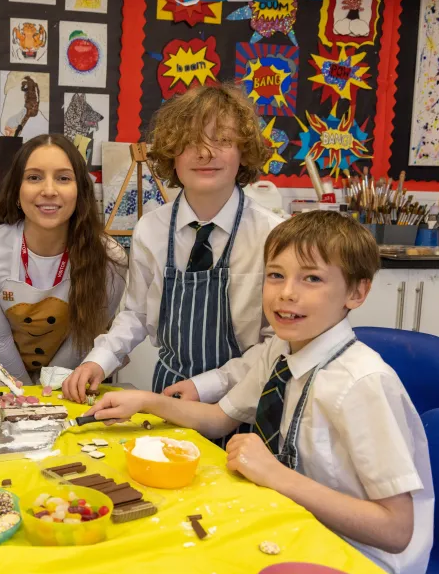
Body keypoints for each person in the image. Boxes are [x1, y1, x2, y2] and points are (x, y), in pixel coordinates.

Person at [85, 212, 433, 574]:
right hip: (293, 521)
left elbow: (395, 530)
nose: (287, 293)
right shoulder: (281, 349)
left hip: (357, 558)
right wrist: (145, 401)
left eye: (311, 278)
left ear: (356, 293)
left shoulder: (363, 383)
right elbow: (220, 417)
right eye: (275, 275)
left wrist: (274, 475)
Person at [63, 84, 281, 416]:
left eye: (222, 140)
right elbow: (135, 314)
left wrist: (208, 384)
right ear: (171, 154)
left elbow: (276, 343)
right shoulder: (150, 230)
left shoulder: (273, 236)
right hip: (168, 396)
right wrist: (99, 360)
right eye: (191, 142)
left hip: (246, 399)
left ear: (245, 152)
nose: (205, 154)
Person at [0, 134, 127, 385]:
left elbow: (81, 340)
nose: (49, 191)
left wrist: (45, 394)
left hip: (69, 381)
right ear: (17, 191)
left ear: (80, 191)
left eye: (63, 178)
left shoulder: (110, 260)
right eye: (34, 177)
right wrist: (28, 397)